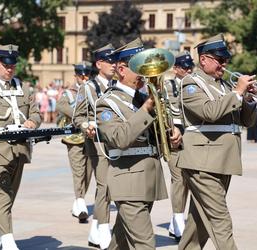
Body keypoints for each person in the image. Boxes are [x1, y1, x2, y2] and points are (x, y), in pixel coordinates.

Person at [95, 39, 182, 249]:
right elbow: (119, 138)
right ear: (122, 69)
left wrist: (173, 133)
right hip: (128, 181)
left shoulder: (144, 97)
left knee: (121, 241)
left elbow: (158, 135)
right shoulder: (107, 103)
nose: (145, 72)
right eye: (139, 67)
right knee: (145, 244)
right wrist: (147, 108)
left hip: (148, 179)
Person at [177, 33, 257, 250]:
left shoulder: (223, 86)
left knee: (199, 223)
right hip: (202, 161)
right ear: (204, 60)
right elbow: (209, 112)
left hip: (222, 161)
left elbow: (245, 122)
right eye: (220, 59)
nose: (224, 64)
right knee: (220, 221)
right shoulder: (191, 83)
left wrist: (248, 100)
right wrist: (238, 92)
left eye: (225, 60)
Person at [0, 44, 41, 250]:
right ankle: (8, 240)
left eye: (13, 65)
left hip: (20, 150)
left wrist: (33, 122)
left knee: (8, 196)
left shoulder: (24, 87)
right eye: (5, 65)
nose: (10, 69)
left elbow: (36, 113)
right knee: (3, 194)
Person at [74, 44, 116, 249]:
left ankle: (95, 231)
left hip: (117, 141)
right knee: (104, 185)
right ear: (99, 64)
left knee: (109, 188)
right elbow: (77, 117)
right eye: (110, 61)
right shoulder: (87, 87)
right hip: (97, 142)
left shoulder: (118, 85)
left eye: (116, 61)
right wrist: (85, 125)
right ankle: (103, 229)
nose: (114, 65)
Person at [56, 61, 93, 223]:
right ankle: (80, 202)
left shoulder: (93, 91)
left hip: (90, 136)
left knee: (88, 172)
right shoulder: (69, 93)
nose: (84, 78)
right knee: (78, 170)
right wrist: (80, 117)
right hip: (74, 137)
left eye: (86, 75)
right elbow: (61, 106)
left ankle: (79, 200)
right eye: (81, 75)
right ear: (76, 76)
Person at [165, 50, 194, 242]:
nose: (189, 70)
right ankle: (177, 218)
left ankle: (174, 222)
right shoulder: (168, 85)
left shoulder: (195, 85)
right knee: (178, 180)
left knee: (187, 182)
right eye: (185, 67)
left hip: (191, 138)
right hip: (174, 137)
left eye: (191, 67)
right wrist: (172, 129)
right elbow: (165, 110)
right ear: (176, 69)